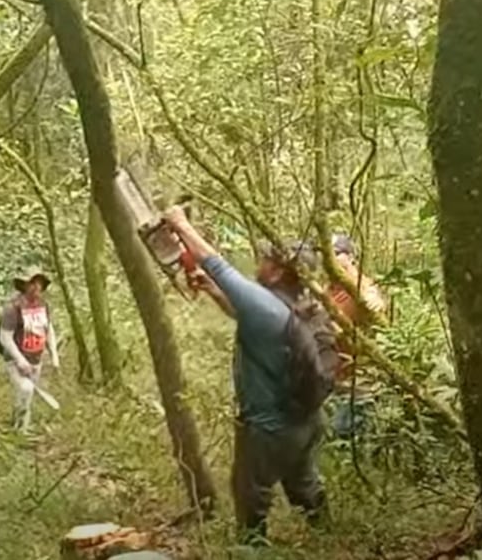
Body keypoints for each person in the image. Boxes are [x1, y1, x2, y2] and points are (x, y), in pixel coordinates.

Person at [162, 208, 327, 545]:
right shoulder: (301, 304)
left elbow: (218, 265)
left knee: (250, 496)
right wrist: (211, 290)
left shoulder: (266, 306)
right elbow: (247, 316)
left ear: (279, 271)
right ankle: (333, 539)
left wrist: (180, 223)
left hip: (268, 429)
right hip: (306, 420)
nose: (259, 261)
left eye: (266, 258)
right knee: (304, 484)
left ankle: (252, 550)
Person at [326, 233, 388, 438]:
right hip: (336, 381)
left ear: (350, 256)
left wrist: (374, 302)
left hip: (360, 385)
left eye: (336, 253)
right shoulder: (329, 288)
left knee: (342, 435)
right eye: (327, 253)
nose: (331, 258)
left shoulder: (359, 284)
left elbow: (373, 298)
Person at [0, 268, 59, 432]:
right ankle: (20, 431)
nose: (36, 287)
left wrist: (54, 355)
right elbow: (5, 337)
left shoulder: (44, 305)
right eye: (32, 283)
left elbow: (48, 329)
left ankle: (19, 427)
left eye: (39, 283)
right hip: (15, 360)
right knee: (26, 389)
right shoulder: (12, 308)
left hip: (36, 359)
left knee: (26, 396)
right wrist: (20, 360)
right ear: (24, 285)